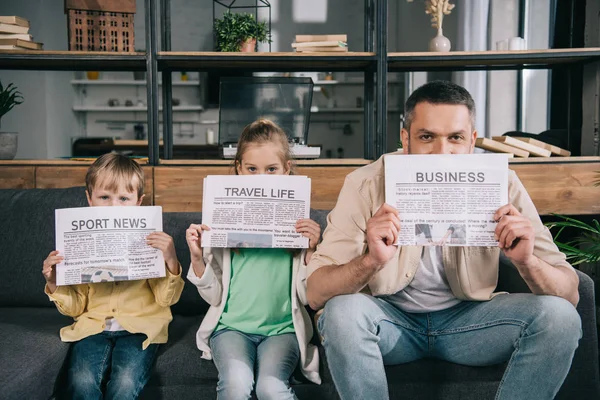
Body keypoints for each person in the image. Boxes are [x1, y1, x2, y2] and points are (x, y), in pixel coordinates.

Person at [306, 80, 582, 400]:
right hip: (390, 320)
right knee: (342, 312)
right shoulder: (365, 183)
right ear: (405, 138)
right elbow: (315, 293)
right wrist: (372, 260)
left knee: (560, 318)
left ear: (472, 140)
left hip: (470, 321)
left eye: (455, 138)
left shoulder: (501, 182)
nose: (442, 152)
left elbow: (570, 294)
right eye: (427, 137)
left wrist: (527, 261)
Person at [186, 119, 321, 400]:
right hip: (231, 328)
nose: (262, 176)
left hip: (282, 330)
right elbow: (213, 297)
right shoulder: (221, 219)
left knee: (270, 388)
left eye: (271, 169)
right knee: (235, 384)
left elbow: (308, 297)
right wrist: (197, 257)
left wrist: (311, 252)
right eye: (252, 169)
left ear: (286, 170)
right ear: (238, 169)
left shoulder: (301, 226)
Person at [42, 153, 185, 400]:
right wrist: (54, 282)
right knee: (81, 381)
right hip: (92, 326)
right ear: (89, 198)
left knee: (126, 384)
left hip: (141, 327)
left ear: (138, 202)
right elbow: (76, 308)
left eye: (123, 198)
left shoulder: (152, 240)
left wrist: (170, 260)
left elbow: (165, 300)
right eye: (104, 197)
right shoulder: (77, 242)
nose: (113, 206)